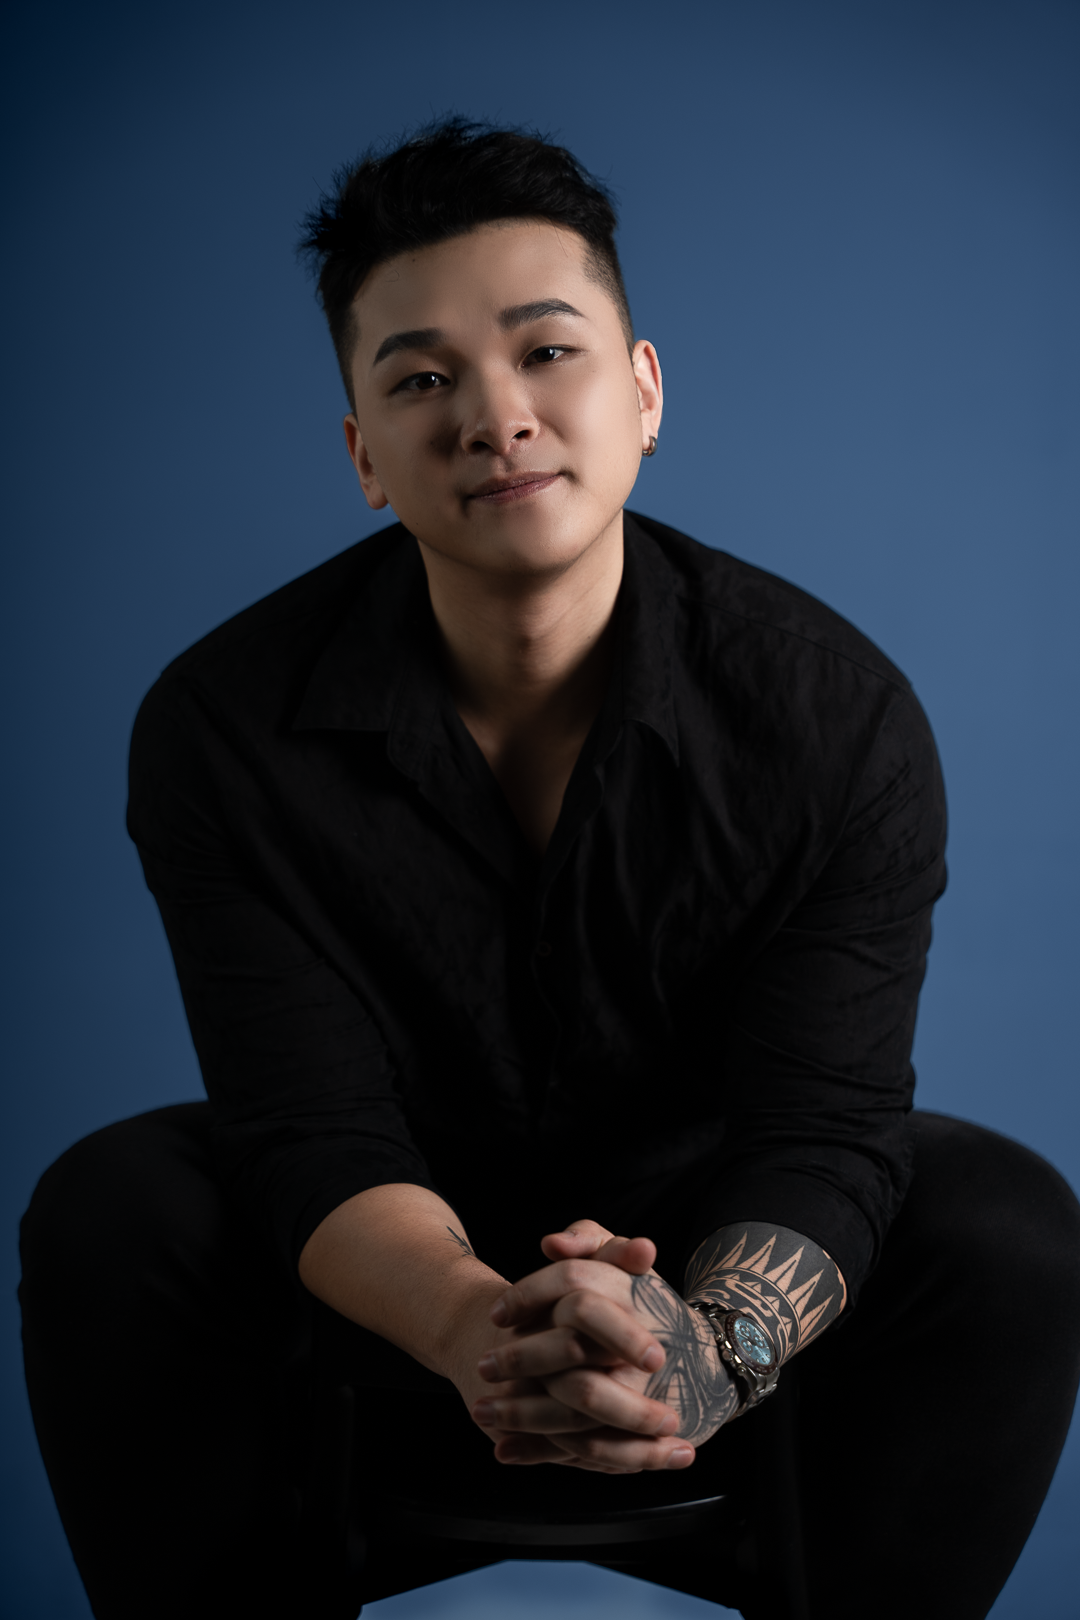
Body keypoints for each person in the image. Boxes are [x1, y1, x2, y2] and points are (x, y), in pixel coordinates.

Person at [19, 118, 1080, 1620]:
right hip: (380, 1289)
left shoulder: (837, 718)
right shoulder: (221, 725)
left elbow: (825, 1129)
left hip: (706, 1271)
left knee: (1008, 1228)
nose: (495, 417)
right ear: (365, 457)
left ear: (643, 392)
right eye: (422, 380)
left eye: (547, 352)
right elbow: (305, 1126)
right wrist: (473, 1324)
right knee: (112, 1208)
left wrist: (699, 1351)